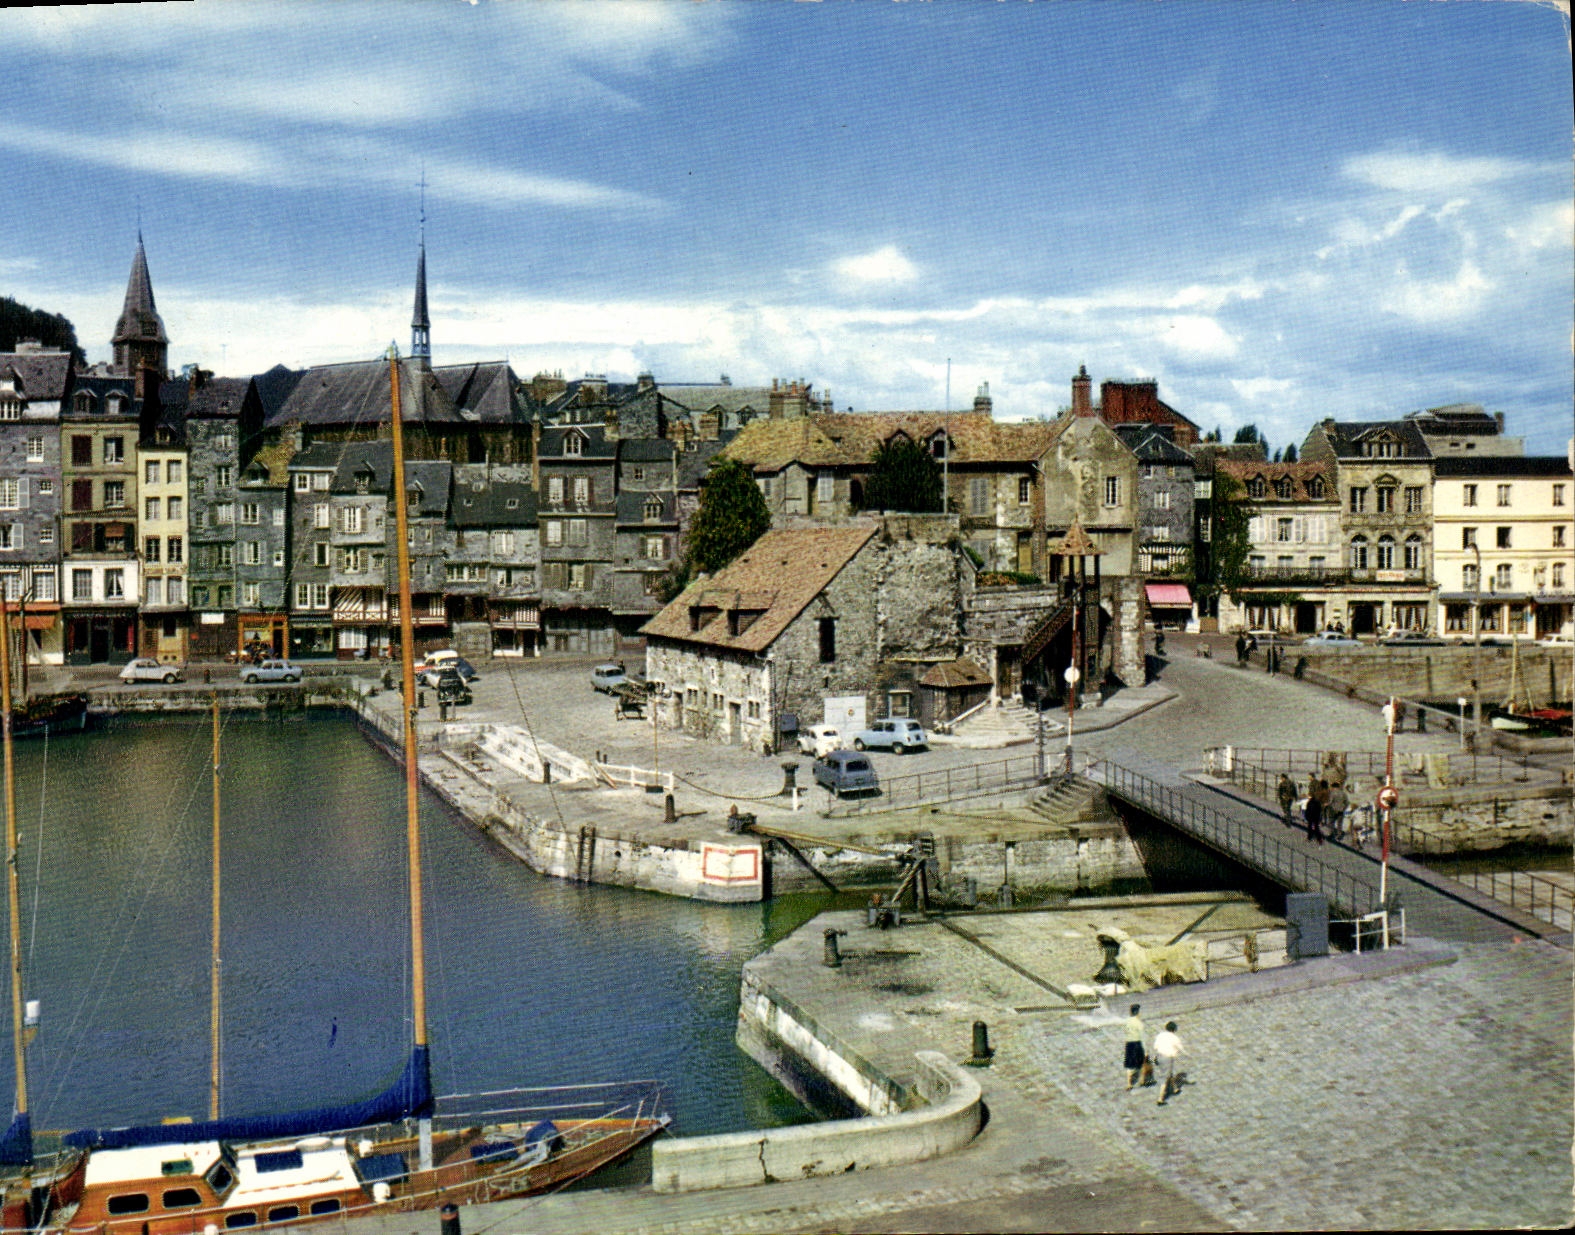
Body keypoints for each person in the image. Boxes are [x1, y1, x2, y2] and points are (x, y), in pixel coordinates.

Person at [1153, 1020, 1184, 1105]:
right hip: (1167, 1058)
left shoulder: (1160, 1035)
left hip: (1159, 1056)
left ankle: (1174, 1089)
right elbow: (1180, 1049)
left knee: (1170, 1074)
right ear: (1174, 1030)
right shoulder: (1175, 1038)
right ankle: (1160, 1099)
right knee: (1164, 1078)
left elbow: (1155, 1047)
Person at [1123, 1004, 1147, 1090]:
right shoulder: (1139, 1023)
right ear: (1137, 1012)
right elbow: (1142, 1037)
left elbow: (1125, 1031)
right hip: (1137, 1044)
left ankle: (1129, 1083)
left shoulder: (1127, 1021)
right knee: (1140, 1064)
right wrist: (1146, 1050)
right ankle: (1141, 1080)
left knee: (1130, 1065)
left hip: (1129, 1044)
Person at [1304, 780, 1325, 844]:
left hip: (1310, 817)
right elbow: (1319, 810)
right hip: (1316, 817)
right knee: (1316, 828)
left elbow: (1307, 811)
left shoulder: (1309, 803)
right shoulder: (1317, 803)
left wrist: (1306, 817)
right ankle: (1319, 839)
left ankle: (1310, 837)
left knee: (1310, 828)